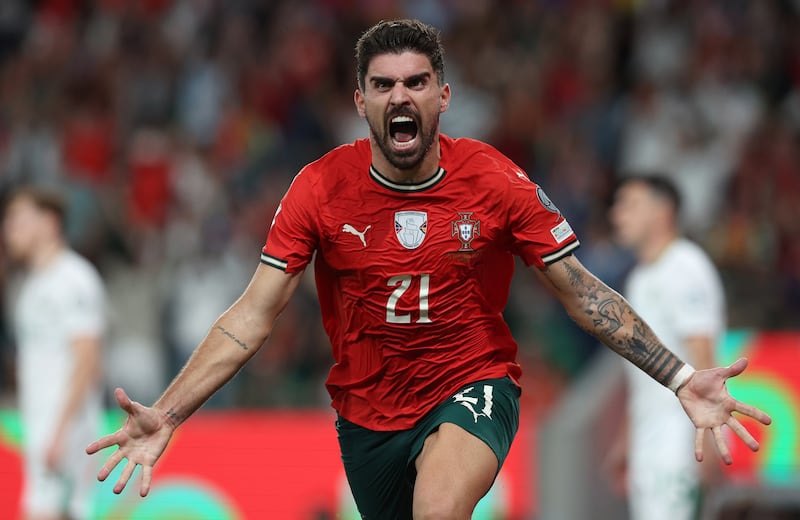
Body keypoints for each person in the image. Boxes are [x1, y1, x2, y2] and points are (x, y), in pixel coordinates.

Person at [87, 19, 771, 519]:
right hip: (367, 412)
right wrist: (170, 412)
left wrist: (679, 377)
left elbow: (579, 290)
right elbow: (251, 318)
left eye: (417, 82)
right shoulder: (319, 187)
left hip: (472, 383)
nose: (400, 97)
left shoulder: (497, 181)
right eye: (383, 86)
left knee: (438, 510)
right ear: (361, 103)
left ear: (443, 94)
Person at [609, 175, 726, 520]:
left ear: (663, 212)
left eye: (629, 204)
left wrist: (707, 439)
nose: (617, 215)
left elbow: (704, 358)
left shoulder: (685, 267)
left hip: (679, 437)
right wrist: (628, 437)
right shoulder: (640, 278)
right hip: (650, 438)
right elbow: (643, 370)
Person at [3, 186, 106, 520]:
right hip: (40, 425)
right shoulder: (31, 285)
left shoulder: (74, 279)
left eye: (18, 218)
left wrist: (61, 432)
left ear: (48, 223)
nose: (8, 228)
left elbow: (87, 358)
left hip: (66, 429)